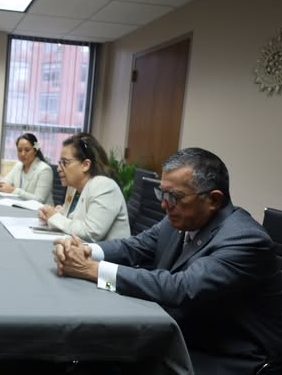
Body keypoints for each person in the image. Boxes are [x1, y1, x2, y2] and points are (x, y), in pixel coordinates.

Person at [53, 147, 282, 374]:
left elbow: (181, 287)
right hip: (183, 331)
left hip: (225, 355)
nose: (164, 205)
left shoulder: (245, 238)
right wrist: (84, 250)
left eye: (175, 197)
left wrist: (92, 270)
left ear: (213, 199)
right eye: (162, 194)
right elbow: (134, 246)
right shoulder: (182, 219)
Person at [38, 133, 130, 241]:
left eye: (64, 162)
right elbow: (72, 219)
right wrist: (51, 215)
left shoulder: (104, 186)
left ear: (85, 165)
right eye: (59, 162)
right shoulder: (73, 187)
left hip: (105, 257)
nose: (58, 168)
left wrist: (54, 218)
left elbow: (91, 232)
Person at [0, 133, 53, 205]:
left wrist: (13, 190)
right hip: (20, 207)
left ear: (35, 151)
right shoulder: (18, 165)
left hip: (40, 212)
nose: (23, 154)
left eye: (27, 150)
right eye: (19, 150)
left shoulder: (44, 170)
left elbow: (39, 199)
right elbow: (6, 181)